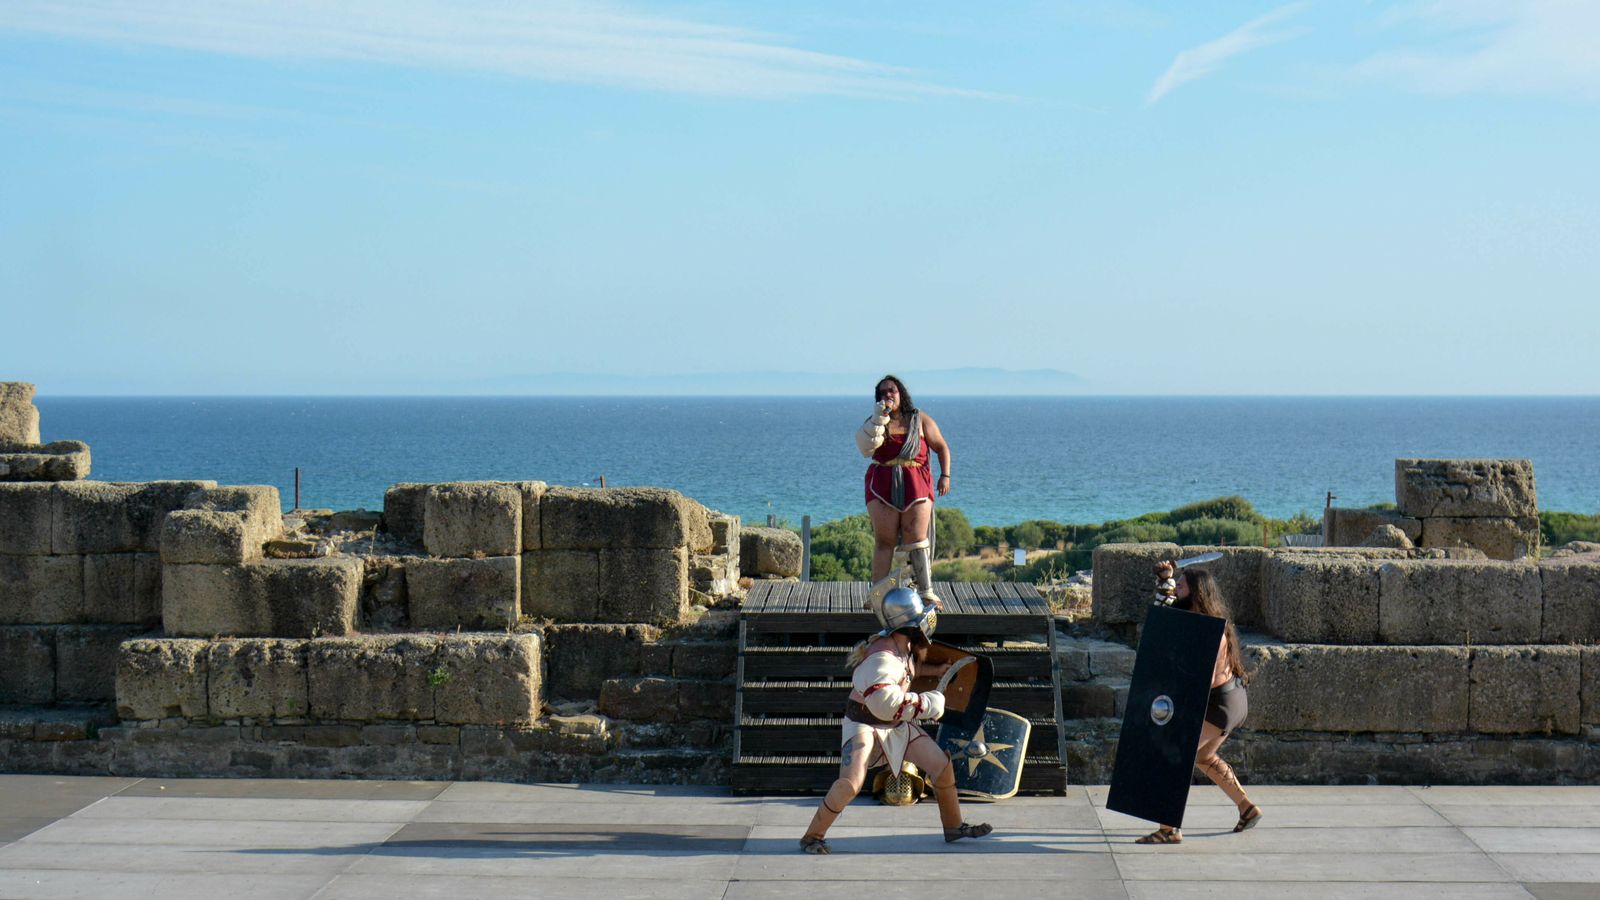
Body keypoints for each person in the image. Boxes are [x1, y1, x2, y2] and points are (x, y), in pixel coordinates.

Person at [799, 588, 993, 854]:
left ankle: (953, 826)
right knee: (851, 782)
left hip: (896, 725)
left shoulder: (903, 645)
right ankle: (812, 836)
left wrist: (933, 671)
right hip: (865, 724)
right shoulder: (882, 657)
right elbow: (885, 703)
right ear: (911, 625)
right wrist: (928, 704)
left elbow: (905, 673)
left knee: (940, 765)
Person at [1136, 566, 1264, 844]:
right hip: (1230, 701)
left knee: (1172, 758)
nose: (1177, 590)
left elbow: (1199, 680)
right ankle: (1247, 808)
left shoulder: (1210, 633)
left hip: (1219, 705)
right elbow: (1167, 609)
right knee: (1203, 757)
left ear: (1196, 592)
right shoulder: (1200, 620)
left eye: (1181, 585)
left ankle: (1169, 828)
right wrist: (1165, 580)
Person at [855, 375, 952, 610]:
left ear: (901, 393)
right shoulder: (875, 423)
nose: (888, 395)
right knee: (884, 540)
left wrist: (945, 475)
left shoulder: (920, 419)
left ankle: (926, 592)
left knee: (917, 538)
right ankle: (877, 594)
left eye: (892, 390)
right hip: (882, 484)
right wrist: (880, 419)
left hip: (916, 482)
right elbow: (865, 448)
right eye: (883, 392)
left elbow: (941, 447)